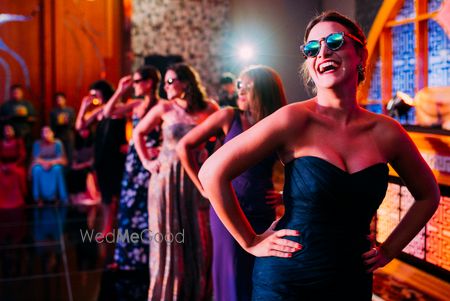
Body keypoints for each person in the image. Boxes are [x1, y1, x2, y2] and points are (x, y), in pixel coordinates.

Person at [198, 11, 440, 300]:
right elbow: (211, 172)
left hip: (351, 277)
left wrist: (389, 250)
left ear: (360, 54)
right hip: (286, 279)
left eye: (335, 41)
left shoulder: (387, 132)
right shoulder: (293, 119)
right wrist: (250, 240)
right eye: (312, 48)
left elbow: (429, 195)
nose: (323, 51)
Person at [177, 65, 286, 301]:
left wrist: (284, 195)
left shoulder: (278, 122)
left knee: (260, 273)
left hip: (261, 209)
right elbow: (183, 146)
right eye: (238, 85)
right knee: (232, 274)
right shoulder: (229, 116)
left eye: (246, 86)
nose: (240, 91)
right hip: (226, 207)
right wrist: (203, 188)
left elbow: (301, 164)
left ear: (264, 91)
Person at [133, 63, 218, 301]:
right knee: (168, 232)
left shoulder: (209, 107)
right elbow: (138, 133)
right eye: (165, 82)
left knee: (199, 231)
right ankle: (168, 292)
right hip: (167, 178)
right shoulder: (164, 108)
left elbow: (224, 133)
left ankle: (199, 290)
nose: (166, 87)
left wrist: (215, 159)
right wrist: (148, 162)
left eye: (170, 82)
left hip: (197, 176)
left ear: (186, 83)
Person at [102, 65, 162, 271]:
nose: (134, 86)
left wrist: (160, 149)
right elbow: (107, 112)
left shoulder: (163, 106)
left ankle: (148, 259)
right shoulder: (135, 104)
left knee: (149, 210)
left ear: (149, 83)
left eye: (137, 82)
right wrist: (120, 90)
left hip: (152, 163)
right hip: (133, 162)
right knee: (128, 209)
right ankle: (125, 258)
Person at [75, 80, 127, 235]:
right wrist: (83, 107)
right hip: (102, 155)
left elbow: (110, 113)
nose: (93, 96)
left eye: (94, 93)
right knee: (105, 195)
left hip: (117, 155)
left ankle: (120, 228)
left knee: (119, 193)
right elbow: (80, 127)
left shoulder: (120, 108)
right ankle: (107, 228)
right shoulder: (98, 111)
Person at [31, 126, 68, 204]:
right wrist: (44, 163)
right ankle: (38, 197)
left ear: (52, 133)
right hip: (41, 163)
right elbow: (36, 158)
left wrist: (51, 163)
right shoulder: (37, 143)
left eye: (48, 132)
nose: (46, 134)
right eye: (44, 132)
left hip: (54, 163)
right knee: (36, 170)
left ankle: (58, 196)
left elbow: (61, 157)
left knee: (57, 169)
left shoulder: (57, 143)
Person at [0, 84, 36, 160]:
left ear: (22, 93)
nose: (16, 94)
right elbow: (1, 119)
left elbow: (34, 119)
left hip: (25, 134)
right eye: (14, 92)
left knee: (26, 153)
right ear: (11, 93)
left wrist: (25, 116)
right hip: (10, 135)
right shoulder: (6, 105)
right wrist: (10, 117)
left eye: (18, 92)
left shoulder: (27, 104)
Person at [0, 124, 27, 208]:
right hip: (3, 165)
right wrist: (2, 166)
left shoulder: (18, 141)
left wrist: (14, 165)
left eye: (9, 130)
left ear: (14, 131)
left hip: (16, 164)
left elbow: (22, 155)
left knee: (17, 173)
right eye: (6, 130)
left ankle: (17, 199)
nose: (8, 132)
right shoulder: (1, 143)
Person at [50, 92, 75, 166]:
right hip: (58, 135)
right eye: (57, 100)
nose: (59, 101)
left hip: (68, 135)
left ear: (65, 100)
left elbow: (74, 124)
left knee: (70, 154)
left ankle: (69, 173)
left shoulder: (70, 110)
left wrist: (68, 122)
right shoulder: (53, 112)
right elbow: (52, 126)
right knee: (59, 154)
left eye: (61, 99)